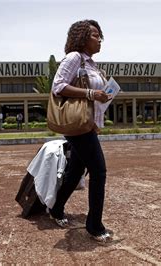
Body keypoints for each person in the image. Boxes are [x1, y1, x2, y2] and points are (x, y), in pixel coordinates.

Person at [48, 19, 113, 242]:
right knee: (99, 171)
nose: (99, 39)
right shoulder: (74, 57)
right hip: (77, 126)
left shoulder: (92, 65)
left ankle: (56, 209)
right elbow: (58, 86)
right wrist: (91, 94)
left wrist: (102, 96)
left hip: (87, 125)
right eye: (95, 35)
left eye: (100, 35)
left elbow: (95, 98)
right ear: (82, 38)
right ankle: (94, 225)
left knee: (75, 171)